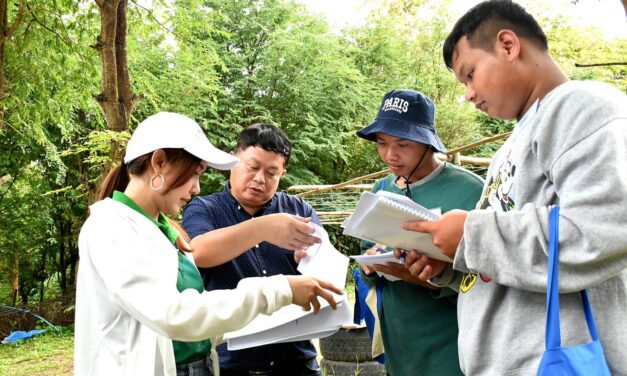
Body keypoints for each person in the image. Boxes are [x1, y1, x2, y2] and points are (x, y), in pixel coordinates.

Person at [399, 1, 627, 375]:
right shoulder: (512, 144)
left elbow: (601, 230)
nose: (469, 94)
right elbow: (516, 267)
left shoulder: (584, 107)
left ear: (508, 45)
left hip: (554, 362)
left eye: (470, 74)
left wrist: (471, 235)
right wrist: (455, 263)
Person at [74, 112, 342, 376]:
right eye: (195, 174)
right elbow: (172, 314)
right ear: (159, 162)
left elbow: (197, 313)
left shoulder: (160, 231)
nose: (196, 188)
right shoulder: (113, 227)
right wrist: (278, 289)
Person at [355, 89, 484, 376]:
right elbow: (367, 251)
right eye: (382, 143)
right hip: (400, 345)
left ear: (428, 144)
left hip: (451, 347)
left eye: (403, 144)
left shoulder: (472, 191)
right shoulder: (382, 189)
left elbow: (490, 279)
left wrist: (434, 279)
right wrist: (372, 266)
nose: (390, 155)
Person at [182, 123, 324, 376]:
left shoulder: (299, 210)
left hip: (296, 360)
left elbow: (324, 268)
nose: (260, 179)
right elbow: (198, 253)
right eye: (252, 167)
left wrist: (309, 260)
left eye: (272, 173)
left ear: (283, 172)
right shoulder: (204, 208)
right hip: (232, 362)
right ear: (234, 159)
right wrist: (263, 228)